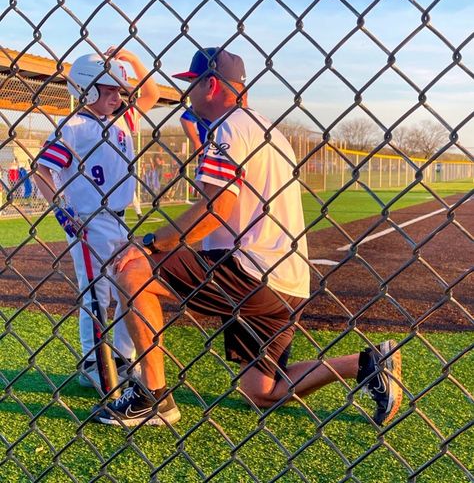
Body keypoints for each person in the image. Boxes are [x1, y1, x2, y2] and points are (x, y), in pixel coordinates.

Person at [92, 47, 402, 428]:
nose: (187, 95)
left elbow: (214, 209)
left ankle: (153, 397)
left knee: (133, 271)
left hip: (251, 269)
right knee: (261, 390)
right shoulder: (263, 127)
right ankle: (368, 364)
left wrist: (152, 242)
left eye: (191, 85)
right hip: (288, 282)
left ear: (211, 84)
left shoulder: (230, 126)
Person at [33, 48, 161, 389]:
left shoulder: (121, 120)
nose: (117, 96)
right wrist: (63, 212)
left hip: (119, 219)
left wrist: (132, 60)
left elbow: (152, 93)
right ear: (87, 88)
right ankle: (95, 362)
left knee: (127, 290)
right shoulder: (74, 127)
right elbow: (41, 170)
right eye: (109, 89)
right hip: (89, 220)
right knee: (97, 293)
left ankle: (120, 356)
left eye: (119, 89)